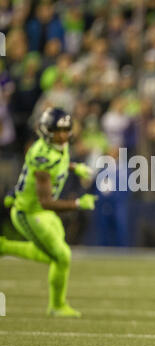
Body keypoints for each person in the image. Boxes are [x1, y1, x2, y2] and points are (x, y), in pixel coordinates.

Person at [0, 107, 97, 317]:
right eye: (57, 130)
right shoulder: (41, 156)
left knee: (55, 254)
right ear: (46, 131)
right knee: (61, 256)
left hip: (40, 210)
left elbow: (60, 161)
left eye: (65, 130)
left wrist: (74, 167)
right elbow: (45, 202)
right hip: (29, 212)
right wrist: (78, 204)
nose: (63, 135)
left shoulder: (57, 147)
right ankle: (56, 305)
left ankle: (4, 247)